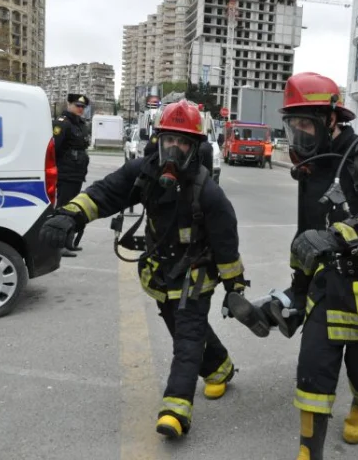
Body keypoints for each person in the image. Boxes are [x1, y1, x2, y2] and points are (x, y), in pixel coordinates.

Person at [39, 100, 247, 439]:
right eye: (169, 140)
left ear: (195, 148)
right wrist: (71, 214)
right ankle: (220, 369)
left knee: (188, 335)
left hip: (196, 272)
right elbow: (105, 192)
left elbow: (227, 245)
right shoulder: (143, 171)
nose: (174, 149)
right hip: (162, 271)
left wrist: (234, 288)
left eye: (183, 142)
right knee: (178, 326)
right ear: (159, 140)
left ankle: (176, 409)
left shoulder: (208, 192)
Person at [270, 72, 358, 459]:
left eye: (306, 123)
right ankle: (307, 452)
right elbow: (306, 236)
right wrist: (296, 293)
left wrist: (341, 235)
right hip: (327, 287)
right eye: (293, 123)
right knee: (312, 373)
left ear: (332, 119)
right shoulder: (313, 166)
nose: (299, 133)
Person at [52, 93, 91, 257]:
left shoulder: (81, 124)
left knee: (72, 209)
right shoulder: (63, 124)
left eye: (83, 107)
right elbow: (55, 149)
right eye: (77, 105)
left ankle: (69, 241)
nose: (80, 109)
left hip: (77, 173)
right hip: (66, 173)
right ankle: (57, 245)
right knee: (62, 208)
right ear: (69, 104)